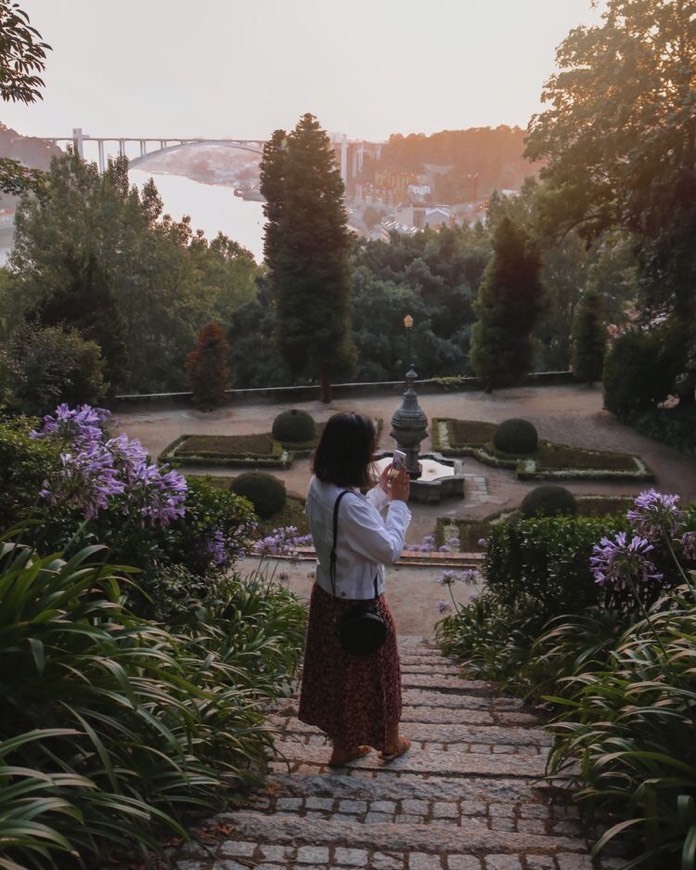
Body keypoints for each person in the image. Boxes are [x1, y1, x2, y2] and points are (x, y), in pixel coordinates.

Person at [298, 411, 412, 767]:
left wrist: (380, 492)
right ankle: (390, 743)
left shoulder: (320, 486)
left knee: (339, 678)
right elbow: (387, 549)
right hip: (360, 605)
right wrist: (398, 502)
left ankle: (343, 746)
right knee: (381, 674)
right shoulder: (347, 503)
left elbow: (351, 517)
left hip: (328, 598)